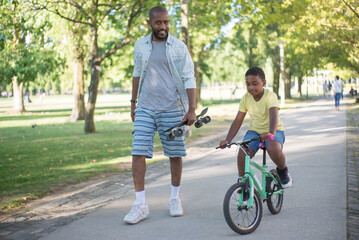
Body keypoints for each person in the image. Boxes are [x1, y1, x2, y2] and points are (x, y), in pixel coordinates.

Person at [124, 6, 197, 225]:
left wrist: (191, 109)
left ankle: (174, 199)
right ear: (150, 24)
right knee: (138, 152)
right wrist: (133, 103)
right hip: (145, 107)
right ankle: (140, 205)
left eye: (166, 22)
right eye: (158, 23)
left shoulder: (178, 47)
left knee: (175, 154)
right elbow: (137, 73)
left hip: (172, 108)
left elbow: (189, 78)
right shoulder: (140, 45)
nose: (163, 26)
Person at [219, 67, 293, 188]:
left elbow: (273, 115)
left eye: (255, 84)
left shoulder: (270, 96)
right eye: (248, 84)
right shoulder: (245, 98)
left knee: (273, 148)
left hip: (274, 130)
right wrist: (228, 139)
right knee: (242, 152)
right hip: (254, 132)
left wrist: (271, 134)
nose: (251, 87)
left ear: (263, 83)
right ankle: (244, 185)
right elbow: (238, 120)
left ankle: (282, 171)